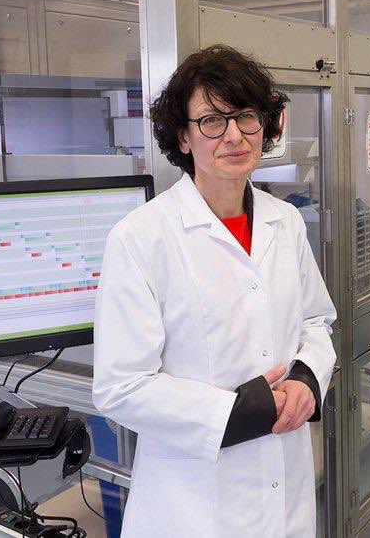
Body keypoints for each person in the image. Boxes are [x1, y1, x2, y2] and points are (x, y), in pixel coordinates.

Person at [92, 45, 336, 536]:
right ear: (183, 137)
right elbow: (121, 386)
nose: (234, 136)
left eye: (246, 117)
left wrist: (306, 381)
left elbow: (315, 320)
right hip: (194, 501)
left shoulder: (284, 221)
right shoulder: (141, 238)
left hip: (283, 479)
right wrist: (239, 411)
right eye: (211, 121)